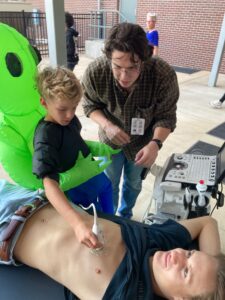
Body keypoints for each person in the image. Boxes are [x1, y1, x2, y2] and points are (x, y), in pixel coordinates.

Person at [0, 181, 224, 299]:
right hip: (30, 197)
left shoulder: (127, 295)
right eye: (190, 254)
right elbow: (208, 223)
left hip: (6, 233)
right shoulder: (158, 241)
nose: (177, 256)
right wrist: (214, 264)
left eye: (186, 272)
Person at [82, 22, 179, 218]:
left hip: (144, 144)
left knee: (134, 184)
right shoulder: (96, 72)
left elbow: (166, 116)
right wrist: (107, 125)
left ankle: (124, 215)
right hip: (109, 142)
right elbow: (89, 105)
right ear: (109, 56)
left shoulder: (162, 74)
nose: (124, 76)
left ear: (145, 58)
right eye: (117, 66)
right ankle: (109, 217)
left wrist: (155, 143)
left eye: (133, 67)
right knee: (108, 182)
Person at [32, 66, 118, 249]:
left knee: (107, 190)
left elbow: (73, 141)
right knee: (95, 222)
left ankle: (113, 225)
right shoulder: (45, 137)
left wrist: (94, 148)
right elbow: (49, 184)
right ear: (44, 103)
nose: (70, 115)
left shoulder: (69, 119)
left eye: (74, 107)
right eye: (63, 109)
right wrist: (77, 223)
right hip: (76, 187)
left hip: (91, 171)